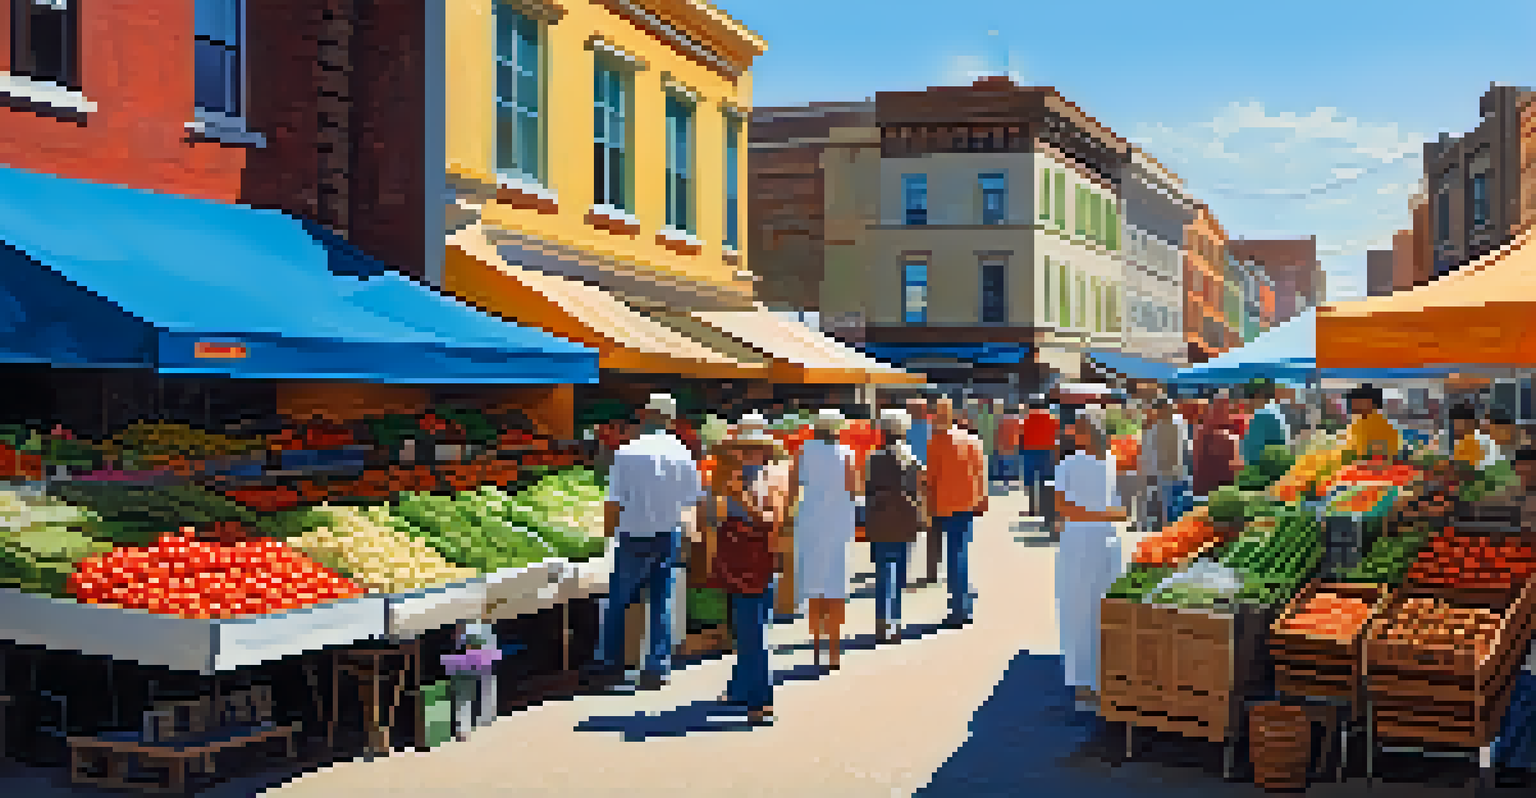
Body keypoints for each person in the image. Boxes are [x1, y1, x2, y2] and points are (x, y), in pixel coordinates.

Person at [582, 394, 703, 693]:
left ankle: (609, 663)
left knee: (618, 601)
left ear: (645, 415)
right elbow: (693, 500)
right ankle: (656, 667)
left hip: (632, 534)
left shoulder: (628, 452)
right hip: (667, 533)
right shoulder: (682, 453)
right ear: (671, 420)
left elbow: (614, 502)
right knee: (661, 600)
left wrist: (608, 535)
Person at [707, 429, 785, 725]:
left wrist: (740, 499)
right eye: (742, 450)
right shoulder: (731, 480)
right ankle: (740, 689)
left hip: (754, 563)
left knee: (754, 633)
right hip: (742, 562)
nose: (745, 456)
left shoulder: (769, 482)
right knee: (747, 628)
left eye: (751, 450)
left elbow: (770, 522)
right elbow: (713, 519)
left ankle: (761, 702)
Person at [1053, 412, 1128, 706]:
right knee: (1084, 608)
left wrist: (1106, 515)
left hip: (1092, 542)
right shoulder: (1079, 463)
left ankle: (1093, 678)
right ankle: (1084, 680)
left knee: (1090, 608)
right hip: (1093, 539)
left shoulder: (1094, 462)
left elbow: (1065, 507)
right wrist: (1108, 515)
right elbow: (1065, 508)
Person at [791, 409, 859, 671]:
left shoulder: (803, 452)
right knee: (836, 587)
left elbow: (792, 488)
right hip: (838, 523)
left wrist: (787, 520)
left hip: (810, 523)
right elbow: (854, 489)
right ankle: (834, 651)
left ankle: (817, 646)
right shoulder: (847, 453)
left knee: (814, 586)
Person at [865, 409, 927, 644]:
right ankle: (896, 624)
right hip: (905, 518)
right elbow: (919, 485)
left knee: (882, 572)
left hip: (880, 518)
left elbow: (867, 488)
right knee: (900, 573)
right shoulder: (910, 457)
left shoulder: (875, 457)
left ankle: (881, 623)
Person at [927, 397, 988, 628]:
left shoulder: (936, 442)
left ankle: (959, 607)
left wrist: (927, 504)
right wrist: (982, 499)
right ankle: (964, 602)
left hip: (944, 504)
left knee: (954, 557)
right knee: (960, 553)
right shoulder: (973, 440)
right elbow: (981, 473)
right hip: (968, 503)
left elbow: (931, 478)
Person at [1139, 399, 1188, 532]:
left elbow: (1175, 451)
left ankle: (1168, 529)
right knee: (1169, 506)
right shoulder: (1164, 426)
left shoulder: (1173, 424)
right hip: (1166, 473)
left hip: (1170, 472)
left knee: (1171, 506)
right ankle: (1167, 529)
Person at [1192, 396, 1243, 496]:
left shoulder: (1199, 433)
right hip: (1221, 493)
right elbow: (1236, 468)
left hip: (1203, 492)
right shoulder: (1228, 438)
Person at [1019, 398, 1060, 519]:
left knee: (1031, 484)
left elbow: (1021, 436)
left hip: (1029, 452)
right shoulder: (1052, 418)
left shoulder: (1026, 419)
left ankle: (1032, 510)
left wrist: (1021, 451)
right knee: (1046, 482)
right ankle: (1045, 510)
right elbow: (1056, 435)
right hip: (1047, 452)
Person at [1241, 380, 1292, 467]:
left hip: (1262, 467)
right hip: (1279, 461)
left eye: (1248, 398)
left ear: (1257, 396)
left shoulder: (1261, 415)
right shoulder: (1277, 411)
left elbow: (1253, 450)